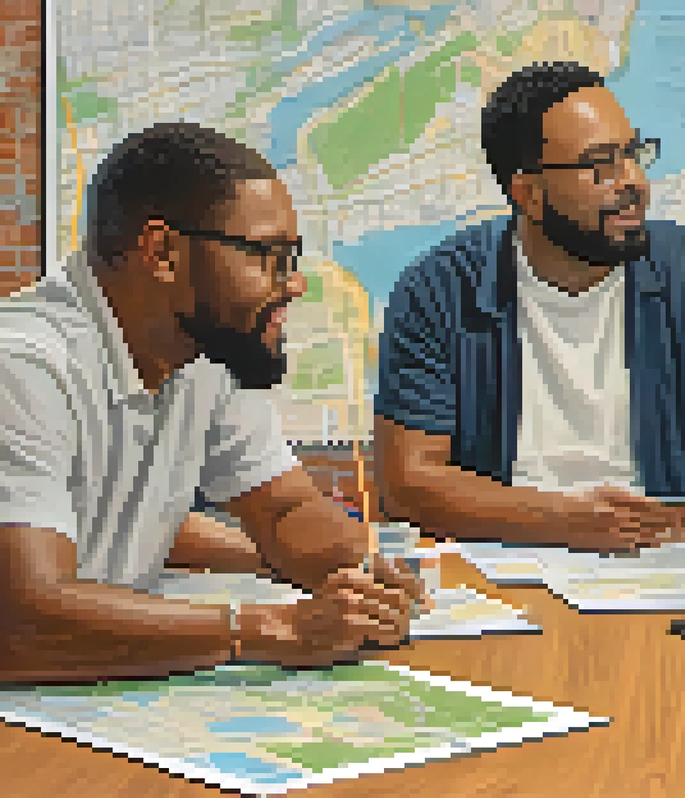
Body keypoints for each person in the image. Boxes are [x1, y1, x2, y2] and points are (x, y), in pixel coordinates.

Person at [0, 123, 424, 683]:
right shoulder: (23, 366)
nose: (295, 284)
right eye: (268, 255)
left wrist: (359, 572)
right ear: (163, 253)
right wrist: (269, 629)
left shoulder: (204, 350)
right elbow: (22, 622)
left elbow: (283, 510)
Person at [373, 62, 685, 556]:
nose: (634, 182)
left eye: (634, 155)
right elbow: (409, 483)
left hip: (662, 563)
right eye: (601, 165)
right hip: (500, 562)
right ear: (529, 194)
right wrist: (563, 521)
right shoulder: (439, 289)